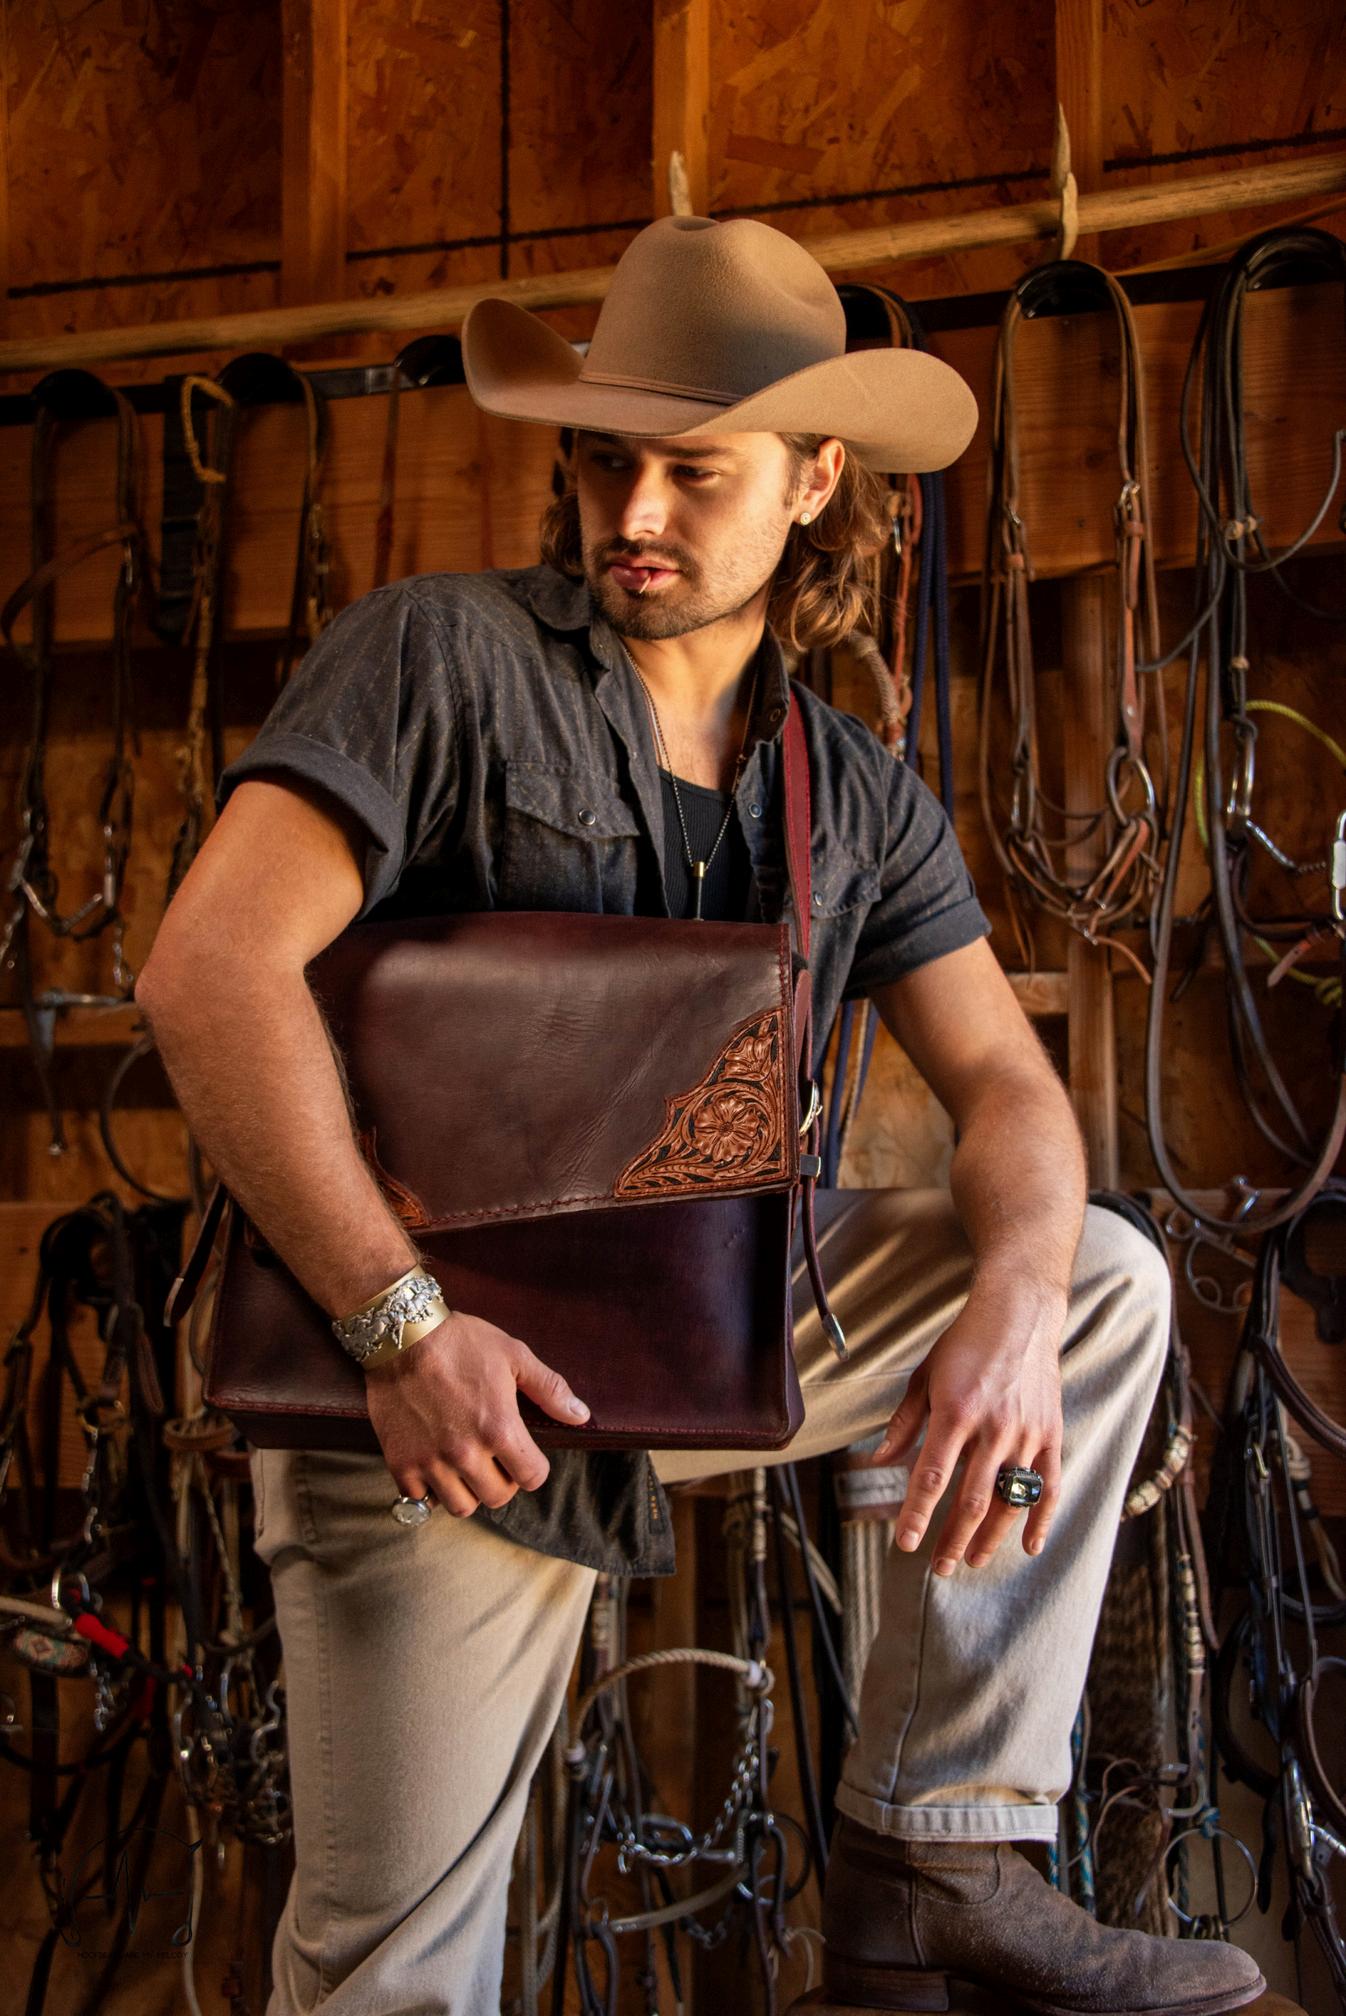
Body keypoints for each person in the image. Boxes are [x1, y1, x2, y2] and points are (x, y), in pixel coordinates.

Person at [135, 216, 1264, 2016]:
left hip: (708, 1327)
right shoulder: (440, 657)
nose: (633, 512)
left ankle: (936, 1857)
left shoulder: (850, 788)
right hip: (438, 1388)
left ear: (814, 481)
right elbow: (209, 973)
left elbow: (1007, 1089)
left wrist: (1009, 1313)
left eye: (693, 470)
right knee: (391, 1983)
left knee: (1098, 1281)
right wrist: (397, 1324)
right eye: (604, 462)